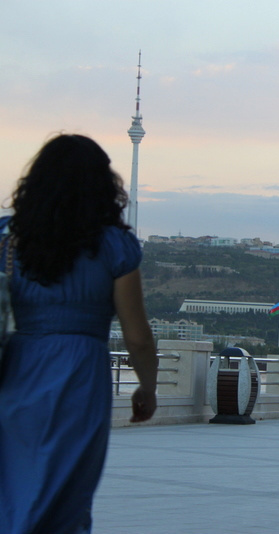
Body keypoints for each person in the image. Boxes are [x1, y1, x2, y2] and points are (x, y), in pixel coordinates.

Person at [0, 134, 159, 534]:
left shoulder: (8, 237)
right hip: (80, 374)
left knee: (13, 484)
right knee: (68, 493)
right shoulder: (114, 246)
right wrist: (147, 388)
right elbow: (137, 336)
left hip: (16, 371)